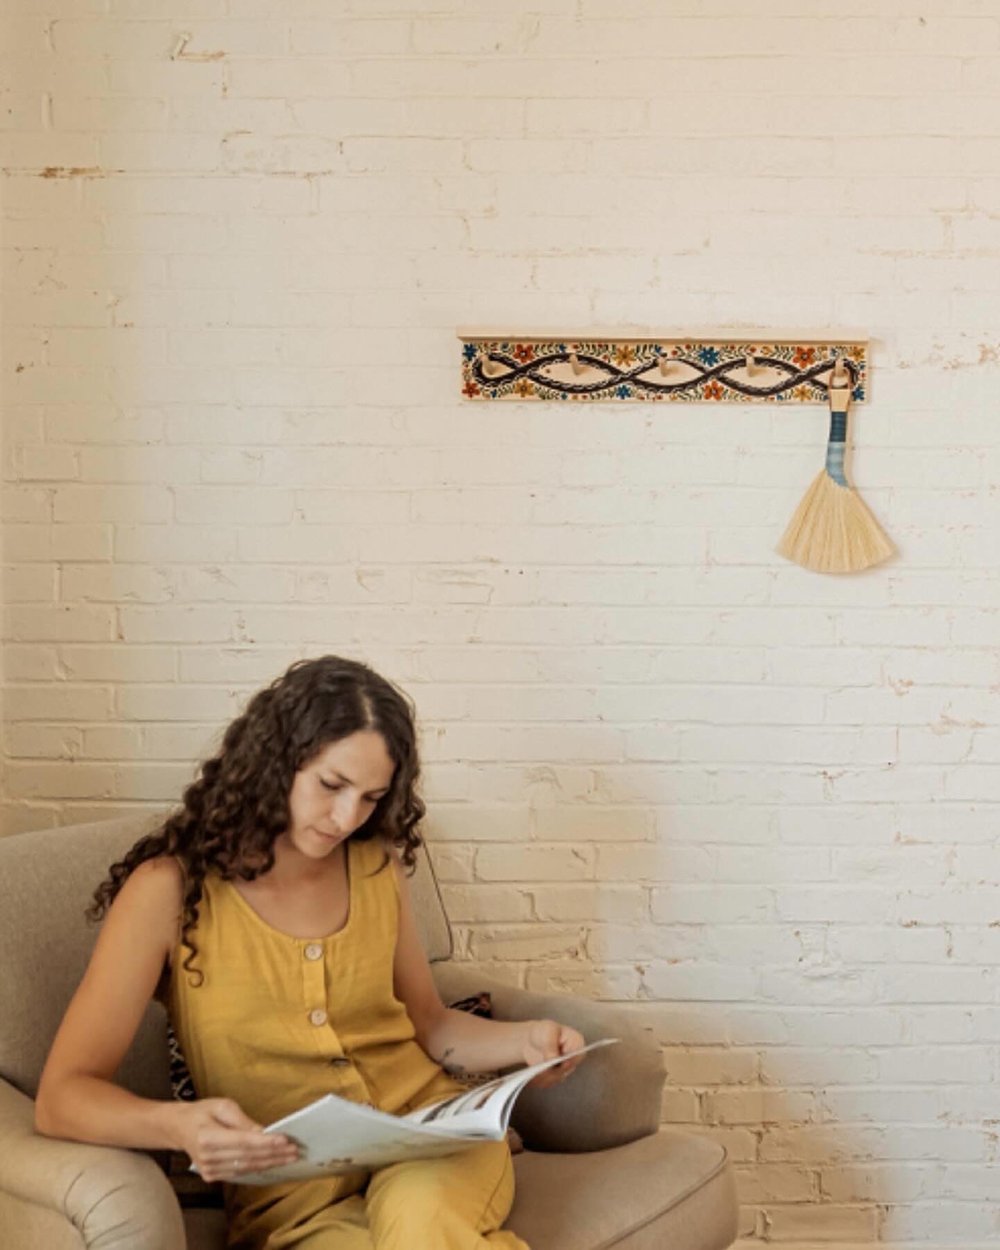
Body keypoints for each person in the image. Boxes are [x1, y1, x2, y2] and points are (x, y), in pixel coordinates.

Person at [35, 655, 586, 1249]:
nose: (348, 818)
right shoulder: (169, 893)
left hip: (432, 1138)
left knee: (424, 1231)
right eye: (331, 785)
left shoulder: (376, 866)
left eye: (372, 798)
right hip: (293, 1194)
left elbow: (429, 1022)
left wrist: (523, 1044)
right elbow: (64, 1096)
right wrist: (177, 1125)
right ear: (275, 762)